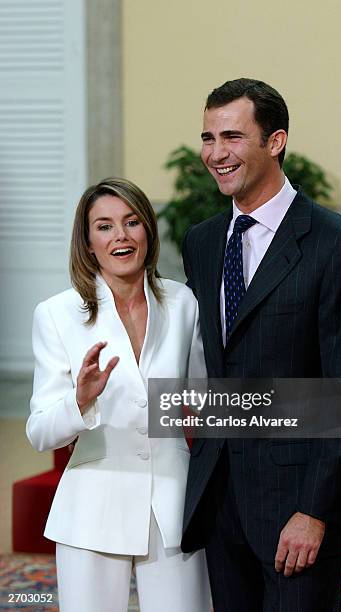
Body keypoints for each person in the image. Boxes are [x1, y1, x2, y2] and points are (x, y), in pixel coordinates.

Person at [180, 79, 341, 611]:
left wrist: (315, 511)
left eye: (232, 137)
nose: (216, 153)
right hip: (220, 502)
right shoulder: (201, 243)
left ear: (275, 142)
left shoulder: (337, 245)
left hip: (296, 509)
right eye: (208, 137)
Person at [27, 178, 211, 612]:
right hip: (92, 509)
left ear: (147, 229)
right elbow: (39, 433)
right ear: (88, 242)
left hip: (173, 507)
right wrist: (80, 401)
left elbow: (205, 403)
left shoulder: (184, 302)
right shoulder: (56, 314)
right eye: (105, 226)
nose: (121, 236)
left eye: (131, 222)